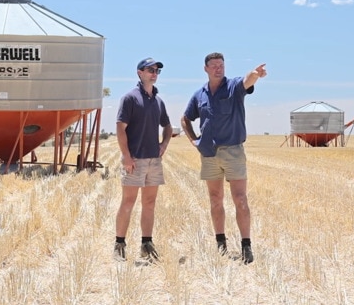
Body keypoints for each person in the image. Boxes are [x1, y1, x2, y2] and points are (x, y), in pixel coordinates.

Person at [180, 52, 267, 264]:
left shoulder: (234, 87)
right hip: (209, 154)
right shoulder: (199, 95)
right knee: (215, 199)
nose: (219, 68)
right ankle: (221, 245)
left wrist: (255, 74)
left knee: (240, 199)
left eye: (221, 65)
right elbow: (185, 119)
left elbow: (247, 80)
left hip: (233, 152)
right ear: (206, 69)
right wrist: (194, 141)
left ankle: (246, 246)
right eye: (214, 65)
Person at [114, 57, 172, 262]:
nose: (154, 73)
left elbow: (167, 126)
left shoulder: (158, 101)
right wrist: (126, 156)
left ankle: (146, 244)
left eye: (157, 70)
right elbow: (120, 129)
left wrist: (164, 145)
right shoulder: (130, 98)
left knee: (149, 203)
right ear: (139, 72)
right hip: (135, 160)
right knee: (128, 202)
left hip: (153, 161)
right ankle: (119, 244)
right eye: (150, 70)